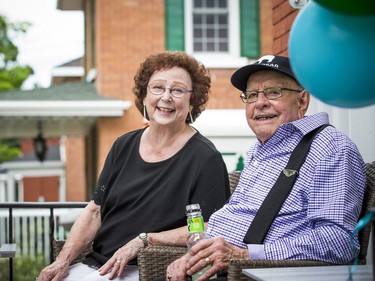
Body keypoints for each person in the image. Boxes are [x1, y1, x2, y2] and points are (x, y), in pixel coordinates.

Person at [160, 55, 367, 281]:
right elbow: (231, 222)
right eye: (251, 95)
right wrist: (193, 256)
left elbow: (339, 241)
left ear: (302, 101)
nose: (260, 103)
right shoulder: (259, 152)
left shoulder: (330, 147)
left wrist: (244, 255)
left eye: (274, 92)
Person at [37, 51, 230, 281]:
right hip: (98, 267)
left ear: (192, 102)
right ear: (145, 96)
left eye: (177, 90)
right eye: (157, 87)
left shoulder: (205, 158)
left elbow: (210, 227)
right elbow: (94, 211)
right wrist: (63, 261)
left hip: (148, 271)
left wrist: (144, 239)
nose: (166, 97)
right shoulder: (123, 145)